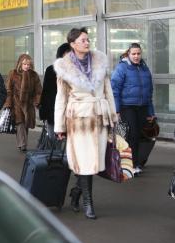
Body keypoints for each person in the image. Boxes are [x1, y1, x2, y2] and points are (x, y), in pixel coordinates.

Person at [54, 27, 117, 219]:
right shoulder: (64, 68)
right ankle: (89, 203)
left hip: (98, 117)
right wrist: (59, 126)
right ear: (72, 44)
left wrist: (113, 116)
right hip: (79, 119)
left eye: (88, 40)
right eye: (83, 40)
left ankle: (76, 192)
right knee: (84, 162)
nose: (87, 43)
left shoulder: (99, 61)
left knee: (95, 162)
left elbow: (108, 91)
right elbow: (61, 99)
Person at [111, 43, 155, 175]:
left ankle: (136, 162)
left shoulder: (144, 68)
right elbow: (115, 90)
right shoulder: (122, 68)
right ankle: (132, 165)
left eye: (138, 53)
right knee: (132, 135)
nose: (136, 56)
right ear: (128, 54)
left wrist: (151, 112)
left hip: (142, 107)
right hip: (127, 107)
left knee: (141, 136)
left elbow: (149, 92)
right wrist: (117, 110)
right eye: (133, 54)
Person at [3, 54, 42, 152]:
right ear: (20, 64)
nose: (26, 66)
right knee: (19, 123)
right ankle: (22, 144)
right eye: (24, 64)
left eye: (28, 64)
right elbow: (8, 90)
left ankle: (23, 143)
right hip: (16, 103)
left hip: (28, 104)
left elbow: (38, 91)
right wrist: (8, 104)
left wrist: (37, 101)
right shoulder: (13, 73)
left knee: (26, 124)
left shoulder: (34, 75)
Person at [39, 43, 71, 138]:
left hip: (72, 112)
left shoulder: (76, 70)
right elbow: (46, 92)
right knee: (54, 141)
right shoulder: (51, 70)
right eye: (67, 53)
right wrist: (44, 113)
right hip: (53, 111)